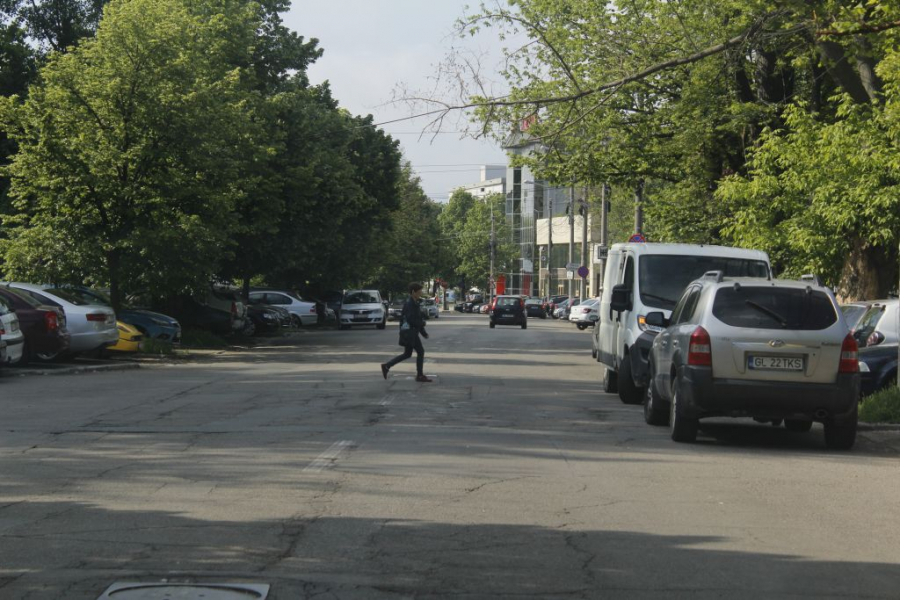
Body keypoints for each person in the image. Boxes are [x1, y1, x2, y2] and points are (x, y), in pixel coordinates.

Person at [381, 282, 432, 382]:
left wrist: (423, 332)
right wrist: (422, 324)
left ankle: (387, 366)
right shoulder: (410, 304)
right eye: (419, 291)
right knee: (420, 352)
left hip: (411, 332)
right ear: (413, 292)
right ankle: (420, 375)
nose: (421, 293)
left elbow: (417, 319)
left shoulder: (415, 303)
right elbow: (411, 320)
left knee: (407, 354)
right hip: (410, 333)